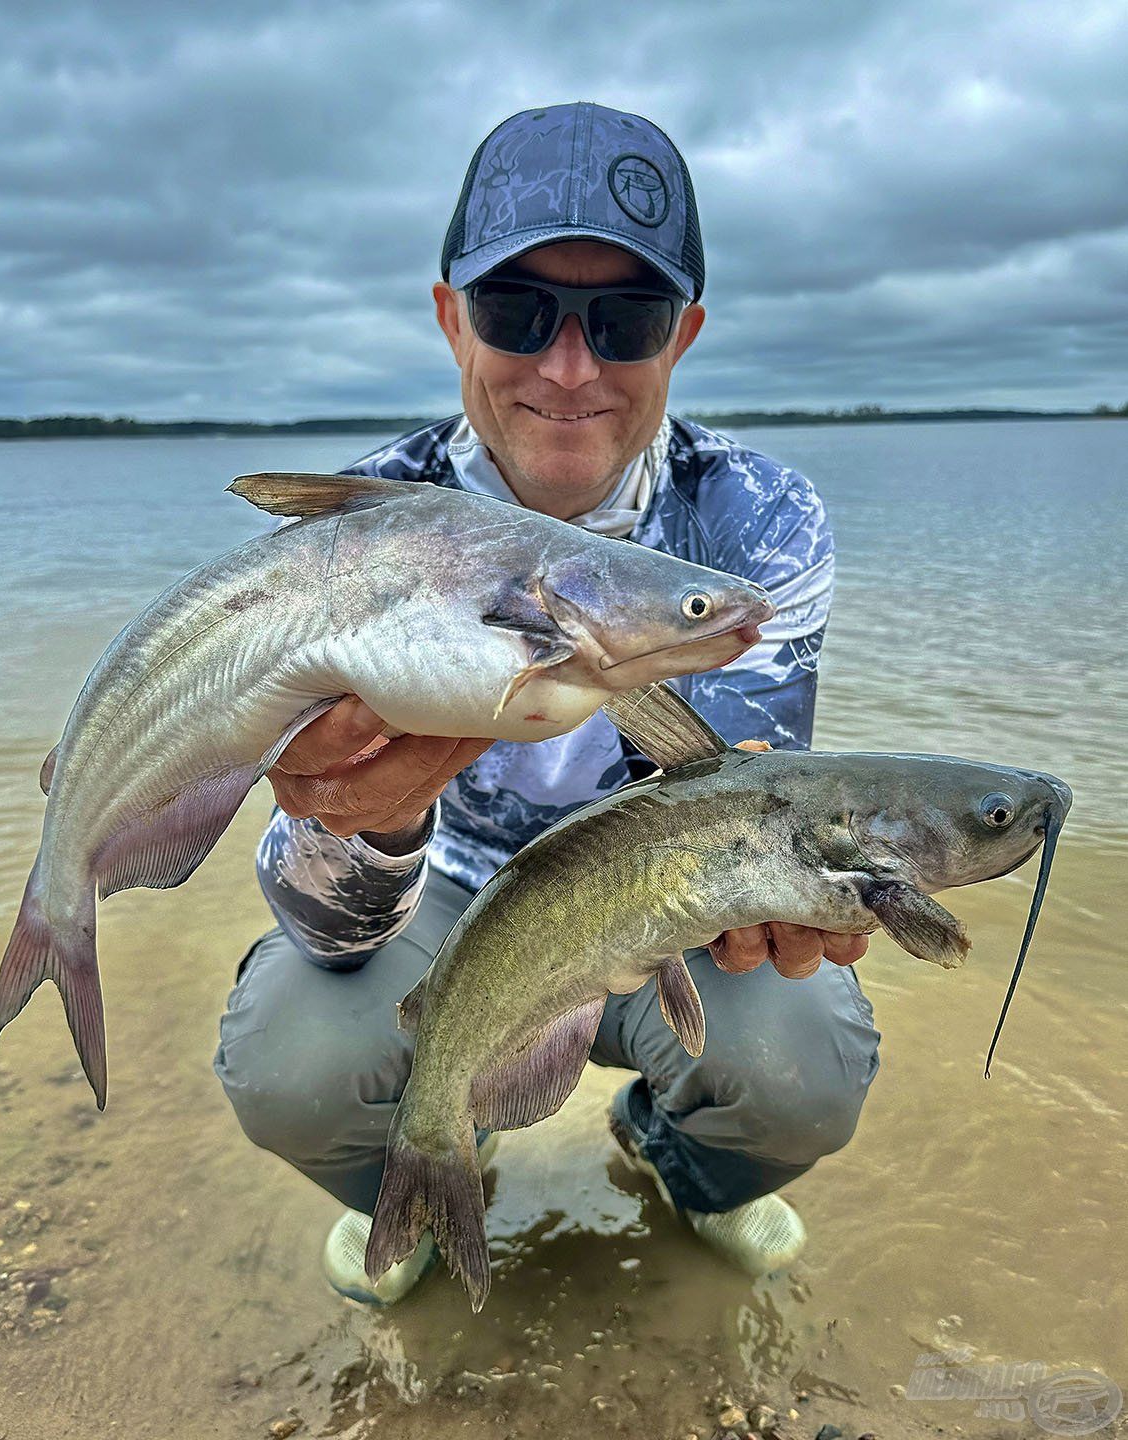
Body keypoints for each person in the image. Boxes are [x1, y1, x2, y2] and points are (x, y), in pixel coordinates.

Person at [214, 102, 881, 1305]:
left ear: (680, 336)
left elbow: (735, 813)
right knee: (292, 1057)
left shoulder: (758, 526)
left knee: (804, 1062)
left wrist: (794, 888)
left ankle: (676, 1161)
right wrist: (369, 819)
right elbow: (323, 922)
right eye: (516, 311)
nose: (566, 369)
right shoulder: (358, 529)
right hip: (440, 896)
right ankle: (426, 1169)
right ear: (446, 317)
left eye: (621, 320)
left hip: (655, 894)